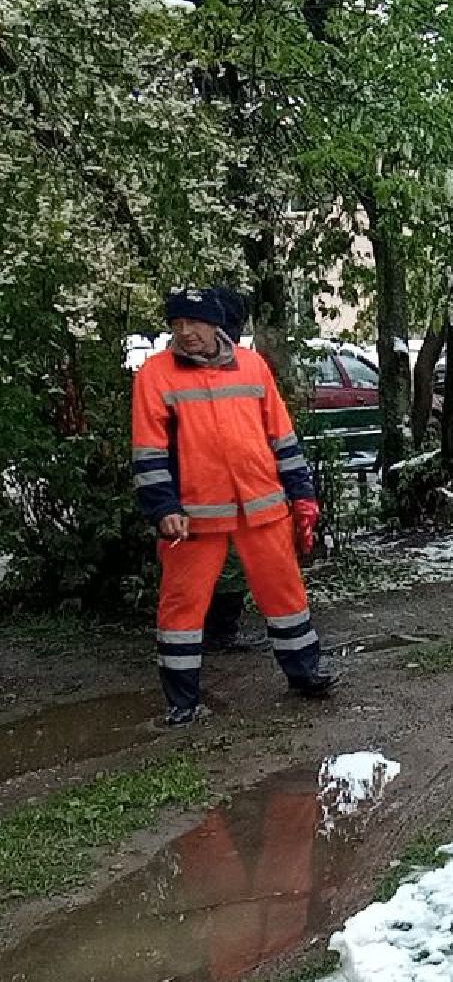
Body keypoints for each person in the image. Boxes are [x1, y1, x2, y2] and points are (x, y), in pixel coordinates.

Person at [132, 287, 337, 727]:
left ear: (215, 325)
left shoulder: (252, 365)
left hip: (263, 508)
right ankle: (183, 702)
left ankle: (306, 673)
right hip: (192, 518)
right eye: (177, 324)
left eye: (194, 323)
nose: (186, 332)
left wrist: (302, 494)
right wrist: (163, 508)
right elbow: (149, 452)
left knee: (286, 597)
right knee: (182, 609)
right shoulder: (155, 375)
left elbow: (282, 437)